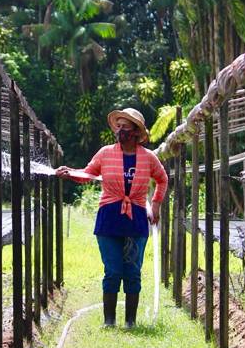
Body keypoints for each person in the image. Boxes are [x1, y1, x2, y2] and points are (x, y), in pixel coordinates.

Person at [56, 108, 168, 328]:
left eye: (126, 126)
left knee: (133, 272)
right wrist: (70, 172)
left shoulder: (148, 158)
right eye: (119, 126)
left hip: (136, 217)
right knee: (113, 270)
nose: (121, 130)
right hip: (109, 216)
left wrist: (155, 205)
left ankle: (130, 322)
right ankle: (109, 321)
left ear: (136, 132)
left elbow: (162, 179)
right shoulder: (106, 153)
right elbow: (87, 174)